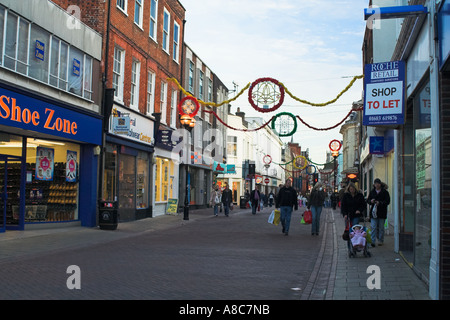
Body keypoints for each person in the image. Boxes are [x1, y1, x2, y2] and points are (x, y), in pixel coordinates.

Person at [367, 178, 390, 247]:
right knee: (373, 227)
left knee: (381, 227)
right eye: (375, 184)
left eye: (378, 183)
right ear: (374, 184)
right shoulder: (372, 192)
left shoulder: (385, 192)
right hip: (374, 213)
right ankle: (373, 241)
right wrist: (371, 201)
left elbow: (387, 201)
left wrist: (380, 203)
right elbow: (368, 200)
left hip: (381, 212)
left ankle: (380, 240)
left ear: (380, 184)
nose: (376, 185)